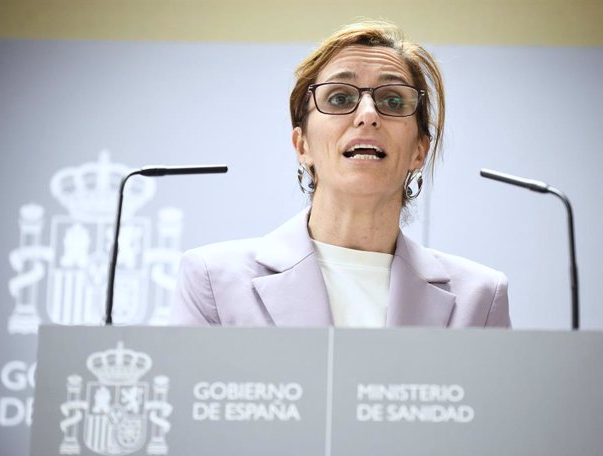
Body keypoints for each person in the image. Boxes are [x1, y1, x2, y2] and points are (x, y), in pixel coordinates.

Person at [171, 20, 510, 328]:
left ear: (419, 150)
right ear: (302, 145)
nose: (367, 115)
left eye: (393, 101)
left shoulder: (480, 299)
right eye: (339, 97)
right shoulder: (212, 280)